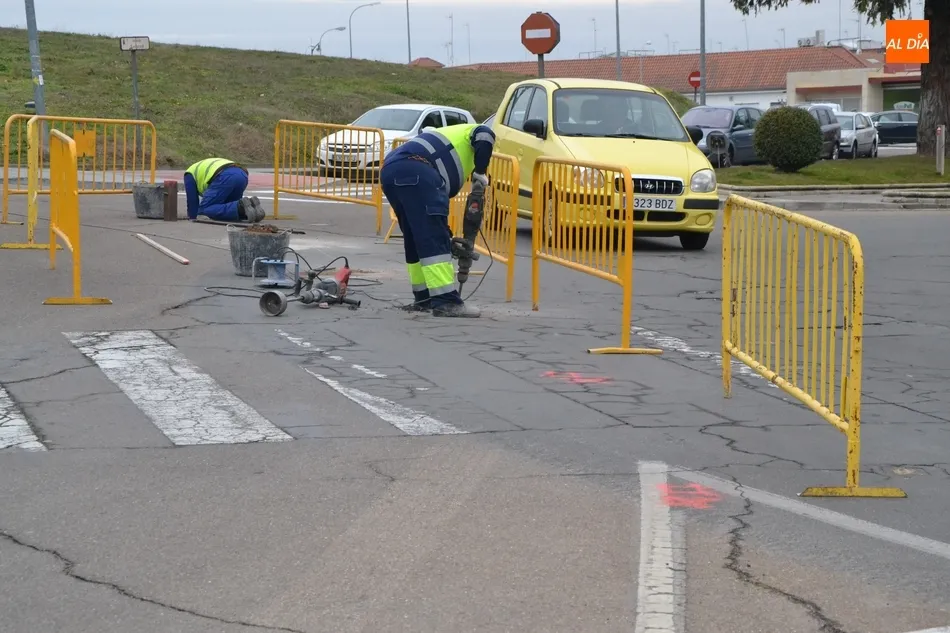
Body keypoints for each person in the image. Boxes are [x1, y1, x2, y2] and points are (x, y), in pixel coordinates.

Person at [379, 123, 496, 318]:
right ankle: (446, 301)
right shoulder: (474, 131)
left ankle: (424, 297)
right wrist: (480, 172)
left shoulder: (445, 140)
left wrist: (444, 231)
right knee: (432, 235)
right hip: (418, 170)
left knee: (415, 235)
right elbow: (486, 136)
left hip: (390, 170)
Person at [183, 157, 265, 223]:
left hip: (224, 176)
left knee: (203, 210)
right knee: (229, 208)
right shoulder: (202, 166)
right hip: (242, 174)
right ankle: (250, 209)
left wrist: (192, 216)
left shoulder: (189, 174)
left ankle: (241, 207)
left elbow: (192, 200)